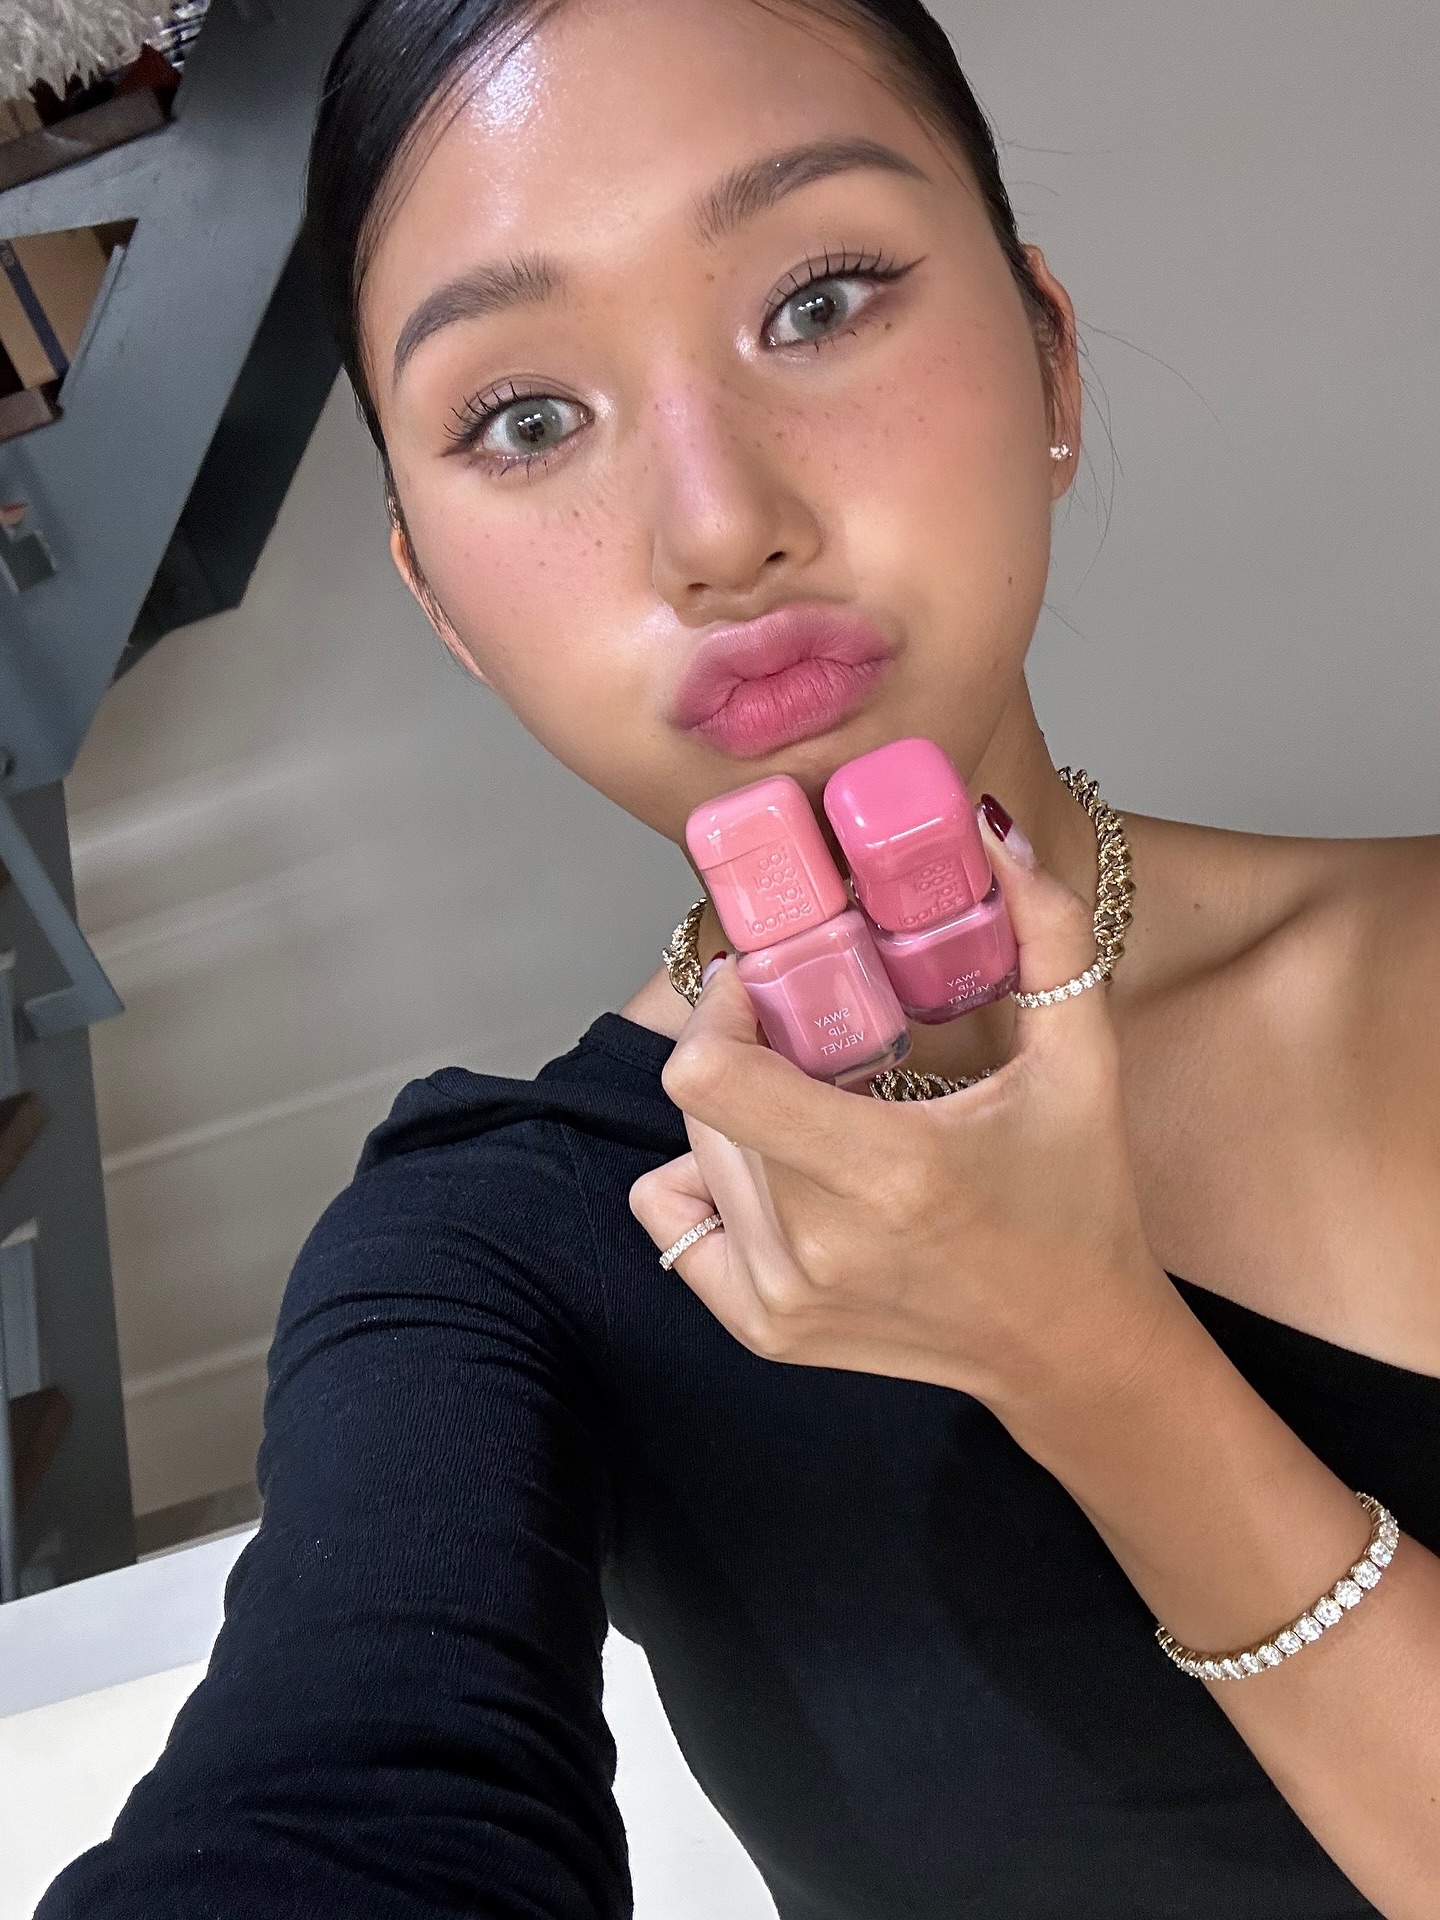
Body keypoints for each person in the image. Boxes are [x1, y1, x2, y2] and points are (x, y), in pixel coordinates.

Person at [37, 1, 1440, 1914]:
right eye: (528, 421)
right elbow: (340, 1805)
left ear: (1048, 352)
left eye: (818, 301)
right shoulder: (493, 1252)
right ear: (441, 600)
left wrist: (1095, 1360)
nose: (717, 528)